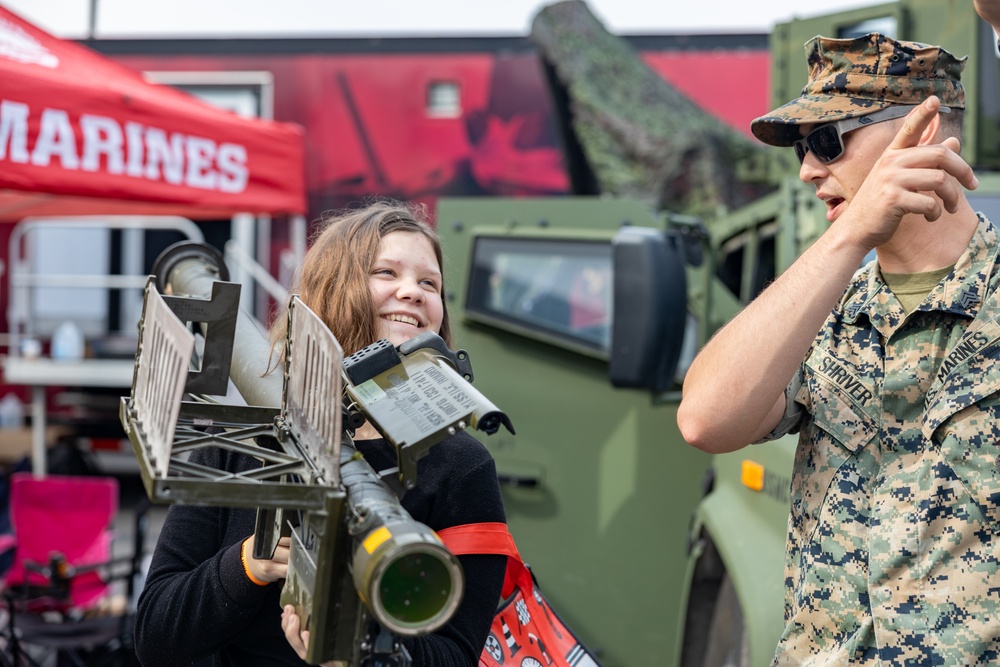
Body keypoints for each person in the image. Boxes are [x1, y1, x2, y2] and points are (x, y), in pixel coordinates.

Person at [677, 3, 1000, 664]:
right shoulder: (822, 308)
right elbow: (705, 419)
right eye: (802, 149)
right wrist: (850, 236)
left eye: (828, 140)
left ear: (924, 129)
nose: (807, 171)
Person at [134, 200, 508, 666]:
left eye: (429, 283)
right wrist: (249, 564)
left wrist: (361, 654)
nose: (413, 292)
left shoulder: (460, 467)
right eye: (386, 273)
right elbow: (154, 635)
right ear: (333, 290)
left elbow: (456, 653)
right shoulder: (240, 442)